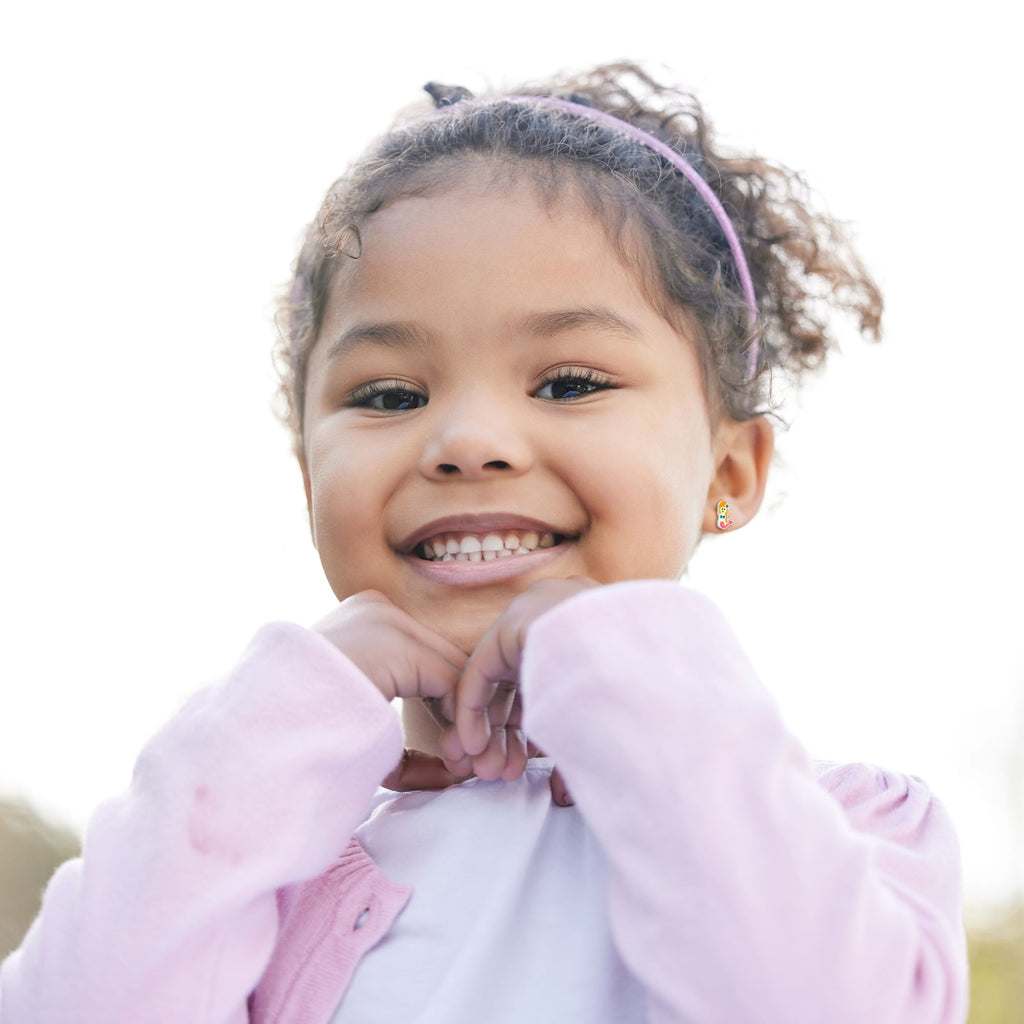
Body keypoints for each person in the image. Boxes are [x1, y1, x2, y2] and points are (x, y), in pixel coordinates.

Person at [0, 63, 968, 1023]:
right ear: (309, 479)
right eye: (388, 395)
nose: (464, 442)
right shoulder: (246, 881)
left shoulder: (857, 834)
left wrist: (618, 658)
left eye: (569, 381)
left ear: (728, 472)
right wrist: (278, 713)